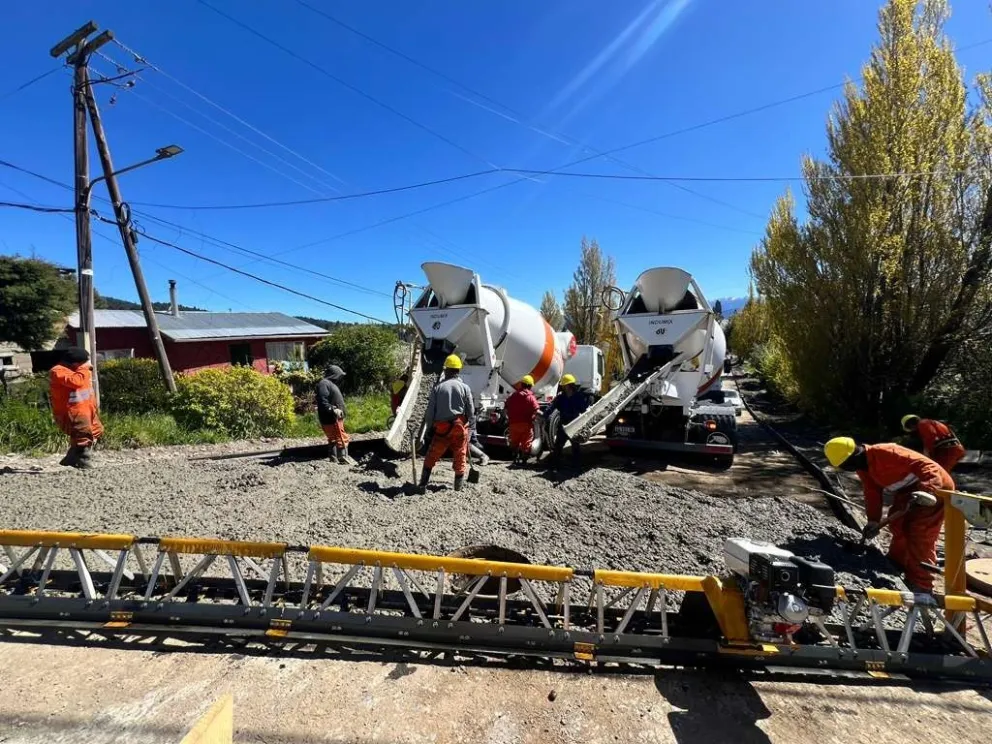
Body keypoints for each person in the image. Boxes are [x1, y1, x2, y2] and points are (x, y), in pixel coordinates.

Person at [824, 437, 953, 594]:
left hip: (935, 487)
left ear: (853, 456)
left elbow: (927, 466)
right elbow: (872, 492)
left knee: (918, 531)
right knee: (897, 524)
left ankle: (922, 583)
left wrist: (928, 490)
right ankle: (898, 563)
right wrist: (872, 521)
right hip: (908, 491)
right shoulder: (863, 467)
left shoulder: (886, 452)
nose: (849, 470)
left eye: (847, 466)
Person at [418, 354, 475, 492]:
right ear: (458, 370)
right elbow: (471, 412)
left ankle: (422, 485)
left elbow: (430, 412)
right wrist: (471, 429)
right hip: (459, 429)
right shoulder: (465, 388)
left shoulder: (438, 388)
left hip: (441, 430)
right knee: (460, 456)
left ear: (446, 370)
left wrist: (430, 427)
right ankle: (457, 488)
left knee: (432, 456)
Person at [49, 347, 103, 469]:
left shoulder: (80, 370)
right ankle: (83, 459)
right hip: (71, 412)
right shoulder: (57, 371)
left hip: (87, 409)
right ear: (75, 363)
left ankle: (71, 457)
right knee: (82, 434)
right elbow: (76, 382)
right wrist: (84, 368)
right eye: (84, 362)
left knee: (95, 431)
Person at [546, 374, 590, 467]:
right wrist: (544, 415)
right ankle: (555, 464)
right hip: (563, 424)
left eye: (564, 385)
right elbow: (552, 407)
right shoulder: (561, 397)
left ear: (569, 385)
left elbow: (584, 409)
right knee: (558, 446)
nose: (563, 387)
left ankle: (576, 465)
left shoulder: (578, 396)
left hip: (574, 424)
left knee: (575, 446)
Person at [901, 414, 966, 473]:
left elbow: (930, 436)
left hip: (947, 452)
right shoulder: (936, 423)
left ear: (910, 425)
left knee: (938, 474)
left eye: (910, 429)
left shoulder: (923, 423)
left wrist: (928, 455)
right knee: (942, 473)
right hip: (956, 449)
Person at [317, 365, 350, 464]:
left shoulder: (329, 384)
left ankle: (334, 458)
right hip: (332, 418)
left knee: (333, 438)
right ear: (334, 375)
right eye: (339, 376)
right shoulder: (324, 384)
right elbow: (322, 401)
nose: (340, 378)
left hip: (331, 417)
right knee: (341, 438)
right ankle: (343, 458)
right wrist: (333, 409)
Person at [506, 374, 540, 464]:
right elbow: (537, 410)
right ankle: (524, 461)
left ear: (521, 384)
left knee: (514, 443)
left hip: (513, 424)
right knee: (526, 444)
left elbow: (506, 407)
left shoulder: (513, 396)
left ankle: (514, 459)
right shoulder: (530, 397)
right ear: (530, 386)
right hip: (526, 425)